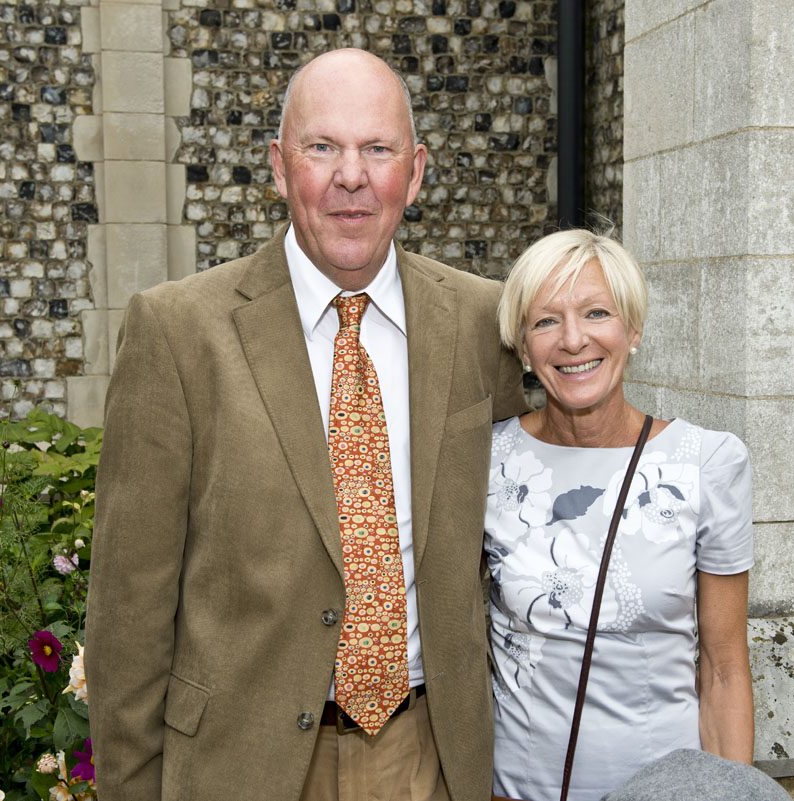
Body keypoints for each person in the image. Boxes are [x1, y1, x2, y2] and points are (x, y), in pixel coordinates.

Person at [85, 49, 528, 801]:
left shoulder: (487, 322)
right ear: (279, 167)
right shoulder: (178, 331)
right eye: (322, 147)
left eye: (377, 149)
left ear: (416, 172)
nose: (351, 176)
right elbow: (129, 609)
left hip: (433, 758)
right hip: (241, 765)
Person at [485, 229, 754, 801]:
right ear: (522, 347)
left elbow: (724, 668)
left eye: (596, 313)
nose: (573, 339)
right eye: (546, 321)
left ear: (633, 330)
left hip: (666, 791)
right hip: (516, 788)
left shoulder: (705, 463)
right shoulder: (486, 461)